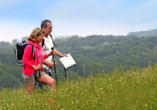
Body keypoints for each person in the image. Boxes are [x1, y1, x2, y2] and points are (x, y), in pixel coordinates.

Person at [22, 27, 55, 94]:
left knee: (52, 82)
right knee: (30, 94)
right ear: (36, 36)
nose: (43, 38)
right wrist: (34, 66)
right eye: (41, 36)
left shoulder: (39, 44)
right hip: (29, 72)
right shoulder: (29, 46)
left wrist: (48, 54)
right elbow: (24, 60)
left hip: (38, 71)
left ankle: (53, 100)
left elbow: (39, 57)